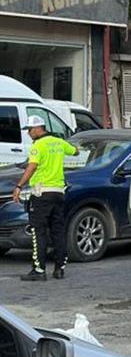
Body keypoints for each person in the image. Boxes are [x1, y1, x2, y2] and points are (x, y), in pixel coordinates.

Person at [13, 115, 79, 281]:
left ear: (37, 128)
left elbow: (32, 166)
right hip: (58, 193)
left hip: (41, 194)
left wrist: (19, 185)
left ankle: (39, 270)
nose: (28, 133)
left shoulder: (38, 145)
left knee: (39, 231)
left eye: (29, 130)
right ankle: (59, 269)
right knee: (58, 231)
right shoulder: (58, 142)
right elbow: (75, 151)